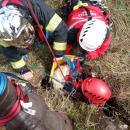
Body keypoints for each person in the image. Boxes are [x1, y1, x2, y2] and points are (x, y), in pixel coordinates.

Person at [0, 0, 68, 80]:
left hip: (31, 11)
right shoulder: (2, 33)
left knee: (57, 34)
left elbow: (60, 28)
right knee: (22, 51)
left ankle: (37, 27)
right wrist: (23, 70)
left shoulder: (36, 6)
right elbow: (9, 51)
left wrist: (58, 55)